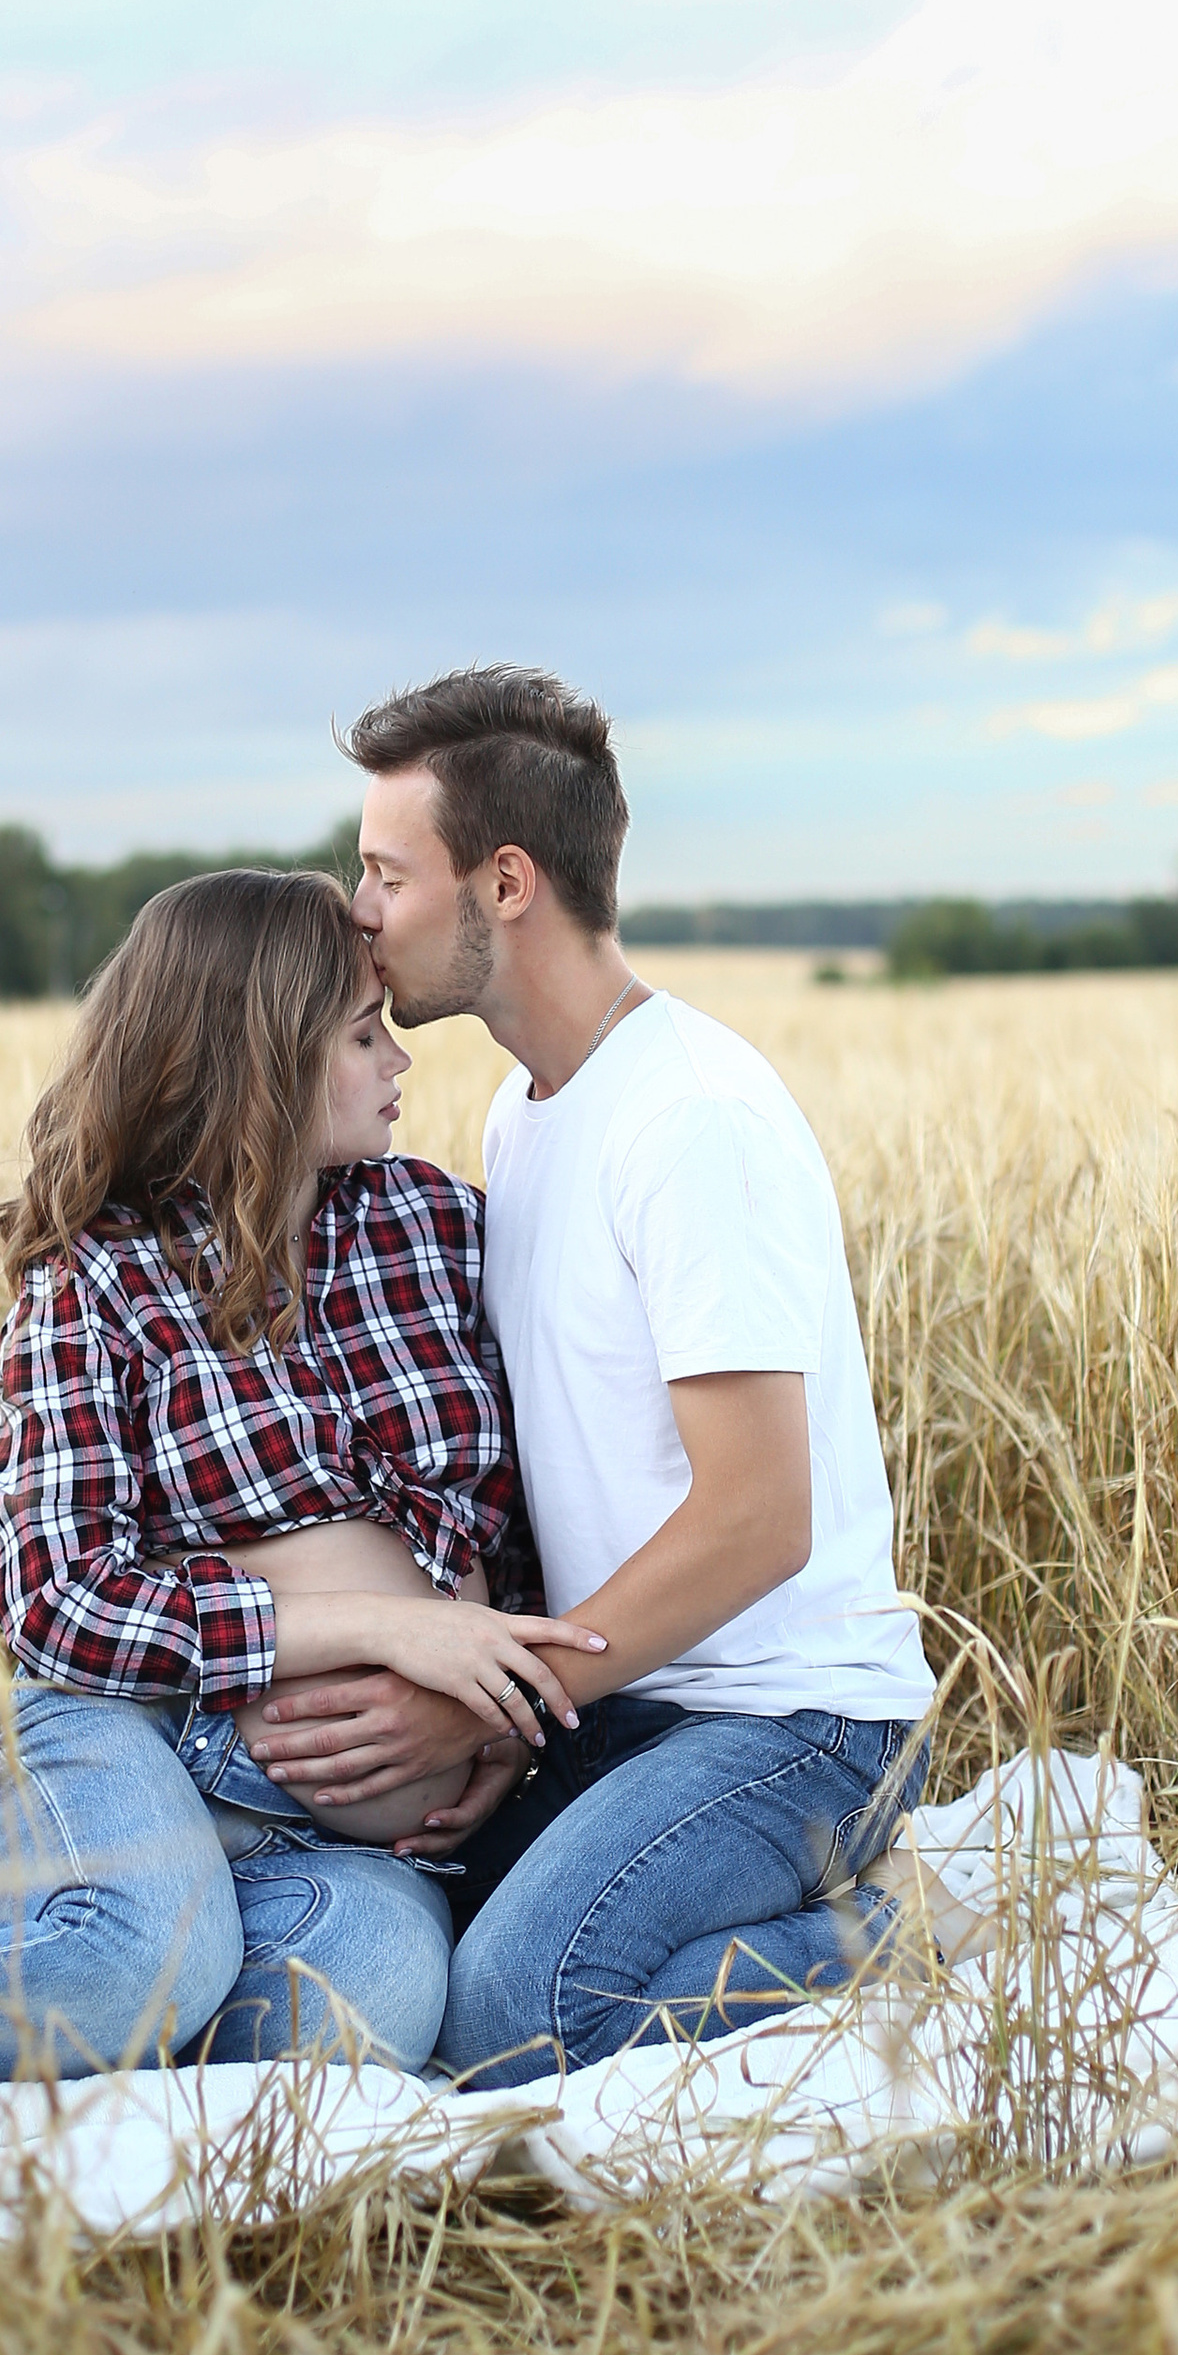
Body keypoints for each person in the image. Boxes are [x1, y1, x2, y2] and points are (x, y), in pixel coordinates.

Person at [250, 666, 934, 2085]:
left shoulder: (689, 1119)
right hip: (624, 1701)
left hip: (794, 1717)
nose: (359, 910)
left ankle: (897, 1927)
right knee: (407, 1959)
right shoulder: (526, 1111)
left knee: (519, 2012)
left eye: (386, 872)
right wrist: (508, 1704)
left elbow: (760, 1520)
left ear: (504, 883)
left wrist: (495, 1702)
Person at [0, 866, 603, 2080]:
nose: (399, 1060)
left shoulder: (439, 1227)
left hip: (341, 1839)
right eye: (361, 1035)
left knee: (372, 2002)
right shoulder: (99, 1277)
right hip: (133, 1735)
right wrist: (385, 1630)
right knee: (142, 1964)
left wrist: (500, 1709)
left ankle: (115, 2003)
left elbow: (526, 1525)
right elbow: (54, 1602)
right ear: (264, 1064)